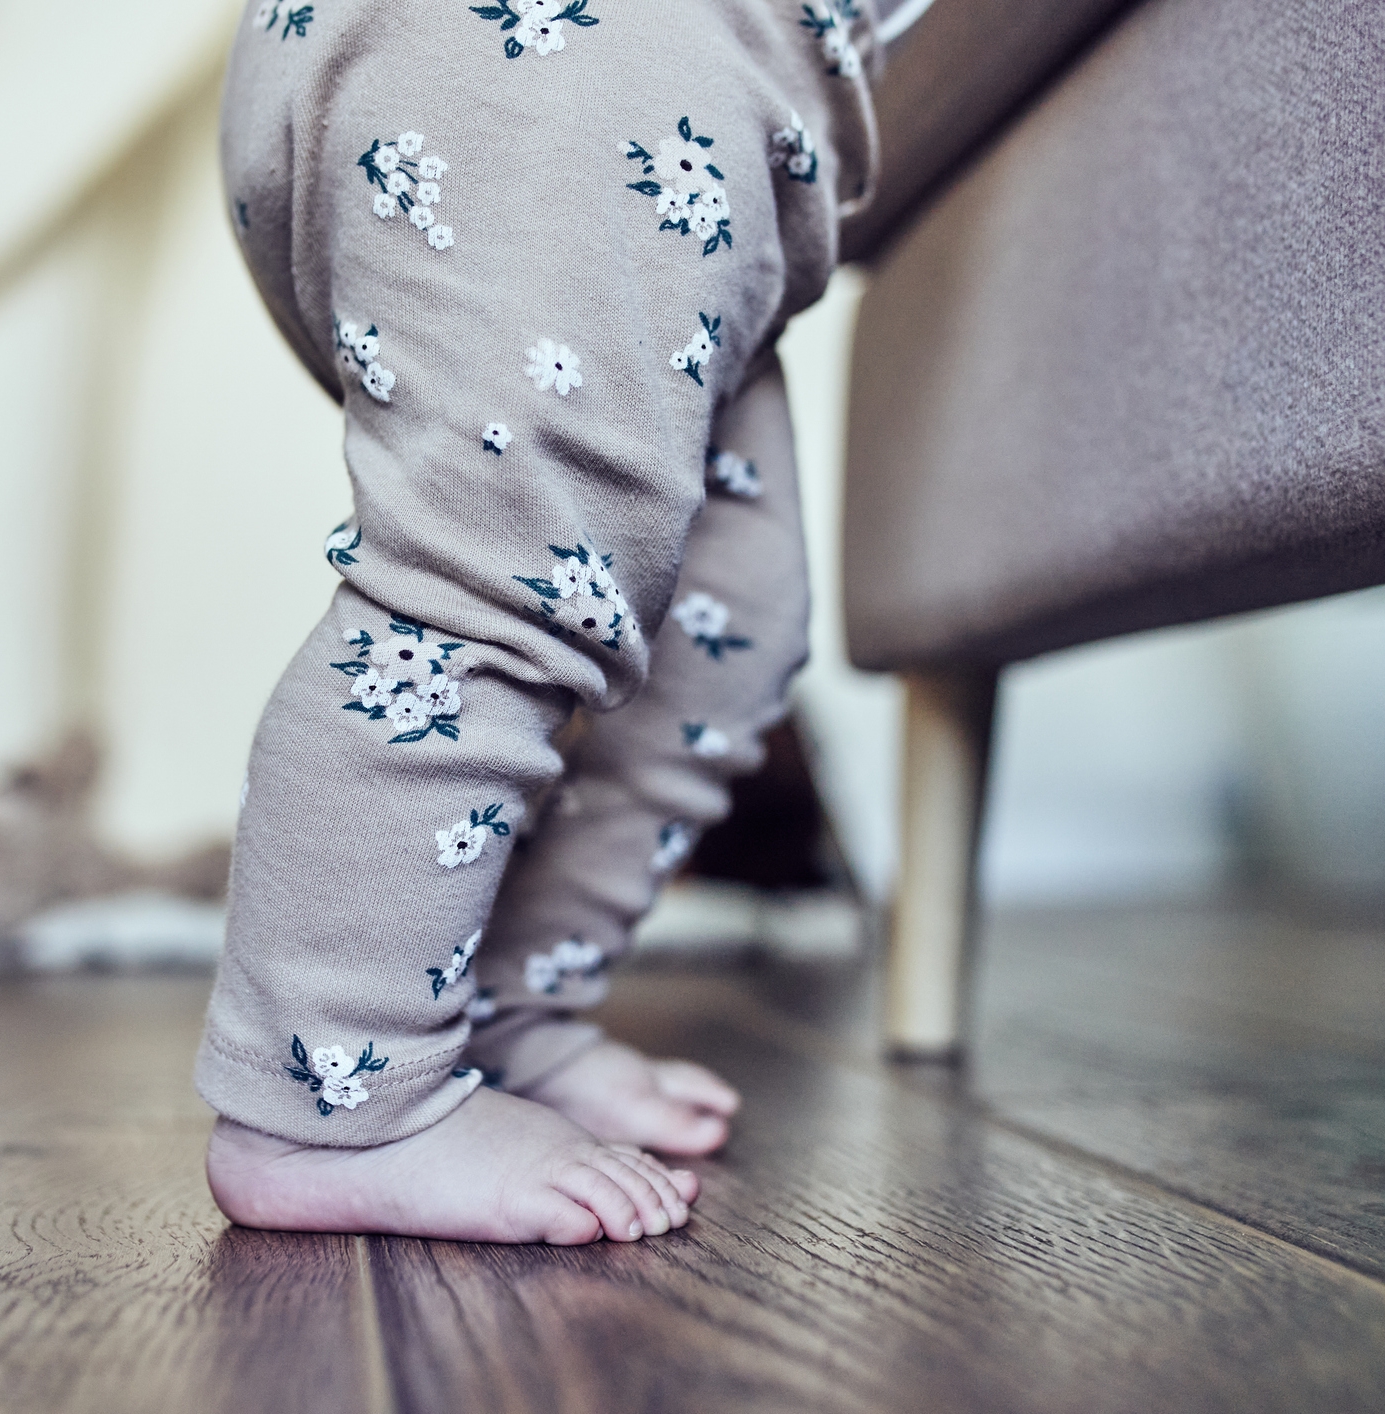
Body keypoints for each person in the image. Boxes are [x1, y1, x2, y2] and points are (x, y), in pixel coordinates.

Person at [196, 0, 896, 1245]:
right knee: (500, 570)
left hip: (732, 107)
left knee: (731, 615)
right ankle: (334, 1092)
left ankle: (501, 1008)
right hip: (577, 53)